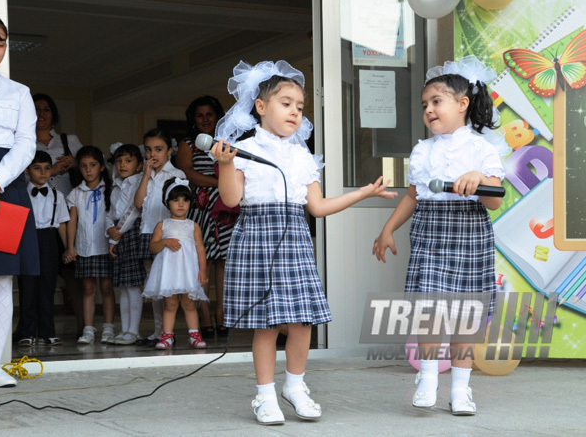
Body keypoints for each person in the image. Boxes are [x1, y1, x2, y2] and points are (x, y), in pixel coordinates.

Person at [212, 60, 397, 425]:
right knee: (266, 322)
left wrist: (361, 193)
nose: (295, 111)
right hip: (258, 237)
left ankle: (294, 386)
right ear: (261, 107)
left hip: (295, 236)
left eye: (300, 106)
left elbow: (318, 206)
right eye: (286, 103)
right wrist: (224, 166)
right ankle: (265, 395)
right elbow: (232, 200)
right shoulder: (243, 149)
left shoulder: (301, 155)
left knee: (303, 321)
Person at [372, 56, 505, 416]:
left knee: (463, 314)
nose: (429, 110)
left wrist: (479, 179)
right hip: (430, 231)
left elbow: (494, 202)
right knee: (429, 309)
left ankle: (461, 389)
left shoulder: (481, 148)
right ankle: (428, 377)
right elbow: (413, 196)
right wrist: (388, 228)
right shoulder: (422, 150)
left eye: (437, 101)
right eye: (425, 105)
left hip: (469, 230)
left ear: (462, 104)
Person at [0, 15, 38, 389]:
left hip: (6, 184)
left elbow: (26, 144)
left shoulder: (18, 92)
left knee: (1, 278)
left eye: (1, 42)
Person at [175, 95, 231, 339]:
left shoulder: (227, 141)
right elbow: (189, 174)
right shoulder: (187, 143)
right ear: (193, 119)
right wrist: (220, 182)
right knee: (203, 262)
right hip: (200, 206)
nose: (205, 119)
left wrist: (226, 187)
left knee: (223, 263)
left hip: (227, 206)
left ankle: (222, 315)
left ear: (217, 116)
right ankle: (205, 315)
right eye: (200, 115)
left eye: (210, 114)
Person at [33, 92, 85, 338]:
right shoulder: (23, 140)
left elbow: (90, 165)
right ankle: (37, 328)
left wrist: (74, 162)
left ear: (53, 114)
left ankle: (83, 328)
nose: (40, 114)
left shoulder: (68, 139)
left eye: (45, 109)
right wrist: (52, 169)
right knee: (37, 275)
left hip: (67, 215)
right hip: (36, 218)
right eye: (36, 109)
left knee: (72, 273)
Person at [142, 177, 208, 349]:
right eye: (175, 200)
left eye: (185, 200)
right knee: (170, 304)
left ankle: (194, 335)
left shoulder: (193, 226)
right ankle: (167, 336)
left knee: (189, 303)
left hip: (187, 271)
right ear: (167, 202)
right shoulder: (162, 225)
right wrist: (164, 242)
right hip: (169, 272)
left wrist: (203, 270)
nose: (180, 204)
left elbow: (200, 249)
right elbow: (153, 247)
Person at [134, 129, 186, 346]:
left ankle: (168, 331)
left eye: (158, 149)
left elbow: (180, 207)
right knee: (154, 285)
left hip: (168, 234)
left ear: (169, 151)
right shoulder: (146, 175)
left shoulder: (177, 175)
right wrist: (146, 176)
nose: (153, 154)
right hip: (148, 231)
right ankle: (158, 331)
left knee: (167, 285)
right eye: (148, 149)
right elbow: (138, 204)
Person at [16, 151, 70, 347]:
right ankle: (27, 332)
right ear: (27, 171)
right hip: (27, 239)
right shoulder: (21, 195)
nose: (43, 173)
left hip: (49, 240)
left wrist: (68, 248)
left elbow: (62, 223)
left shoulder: (57, 195)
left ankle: (47, 332)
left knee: (47, 287)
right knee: (28, 287)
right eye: (37, 168)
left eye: (47, 168)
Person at [64, 146, 116, 345]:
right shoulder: (76, 193)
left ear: (102, 167)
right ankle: (88, 329)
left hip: (105, 245)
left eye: (93, 165)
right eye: (84, 166)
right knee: (87, 288)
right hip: (85, 247)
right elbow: (72, 222)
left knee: (106, 286)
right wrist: (70, 247)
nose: (88, 170)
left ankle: (109, 327)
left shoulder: (110, 191)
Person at [106, 144, 145, 345]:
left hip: (130, 234)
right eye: (119, 161)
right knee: (122, 286)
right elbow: (111, 212)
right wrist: (109, 229)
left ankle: (133, 330)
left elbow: (133, 212)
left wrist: (115, 235)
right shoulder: (116, 185)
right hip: (119, 234)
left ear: (139, 165)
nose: (122, 164)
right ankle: (125, 329)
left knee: (132, 285)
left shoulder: (138, 182)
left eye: (128, 161)